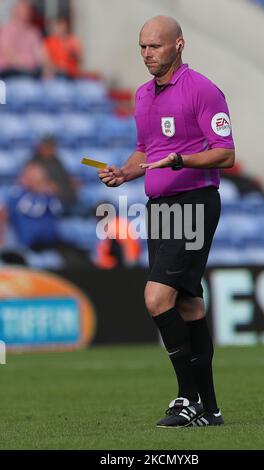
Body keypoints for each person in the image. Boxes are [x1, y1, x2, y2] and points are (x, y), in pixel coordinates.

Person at [98, 15, 235, 428]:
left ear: (179, 45)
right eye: (142, 47)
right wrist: (124, 172)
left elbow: (226, 153)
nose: (146, 54)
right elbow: (146, 149)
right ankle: (209, 408)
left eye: (154, 46)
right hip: (159, 208)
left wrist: (183, 159)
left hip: (193, 204)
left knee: (157, 299)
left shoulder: (203, 90)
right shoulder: (142, 95)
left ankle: (186, 397)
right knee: (190, 304)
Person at [29, 136, 78, 213]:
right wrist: (45, 186)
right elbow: (29, 183)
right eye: (48, 147)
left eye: (52, 147)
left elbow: (65, 177)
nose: (52, 150)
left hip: (67, 196)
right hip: (49, 201)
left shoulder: (56, 161)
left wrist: (72, 182)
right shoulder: (34, 163)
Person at [0, 0, 44, 78]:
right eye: (23, 10)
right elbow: (7, 54)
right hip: (11, 72)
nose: (26, 12)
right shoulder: (7, 30)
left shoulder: (34, 32)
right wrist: (26, 66)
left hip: (33, 73)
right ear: (15, 11)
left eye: (28, 10)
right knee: (29, 88)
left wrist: (47, 68)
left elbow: (41, 54)